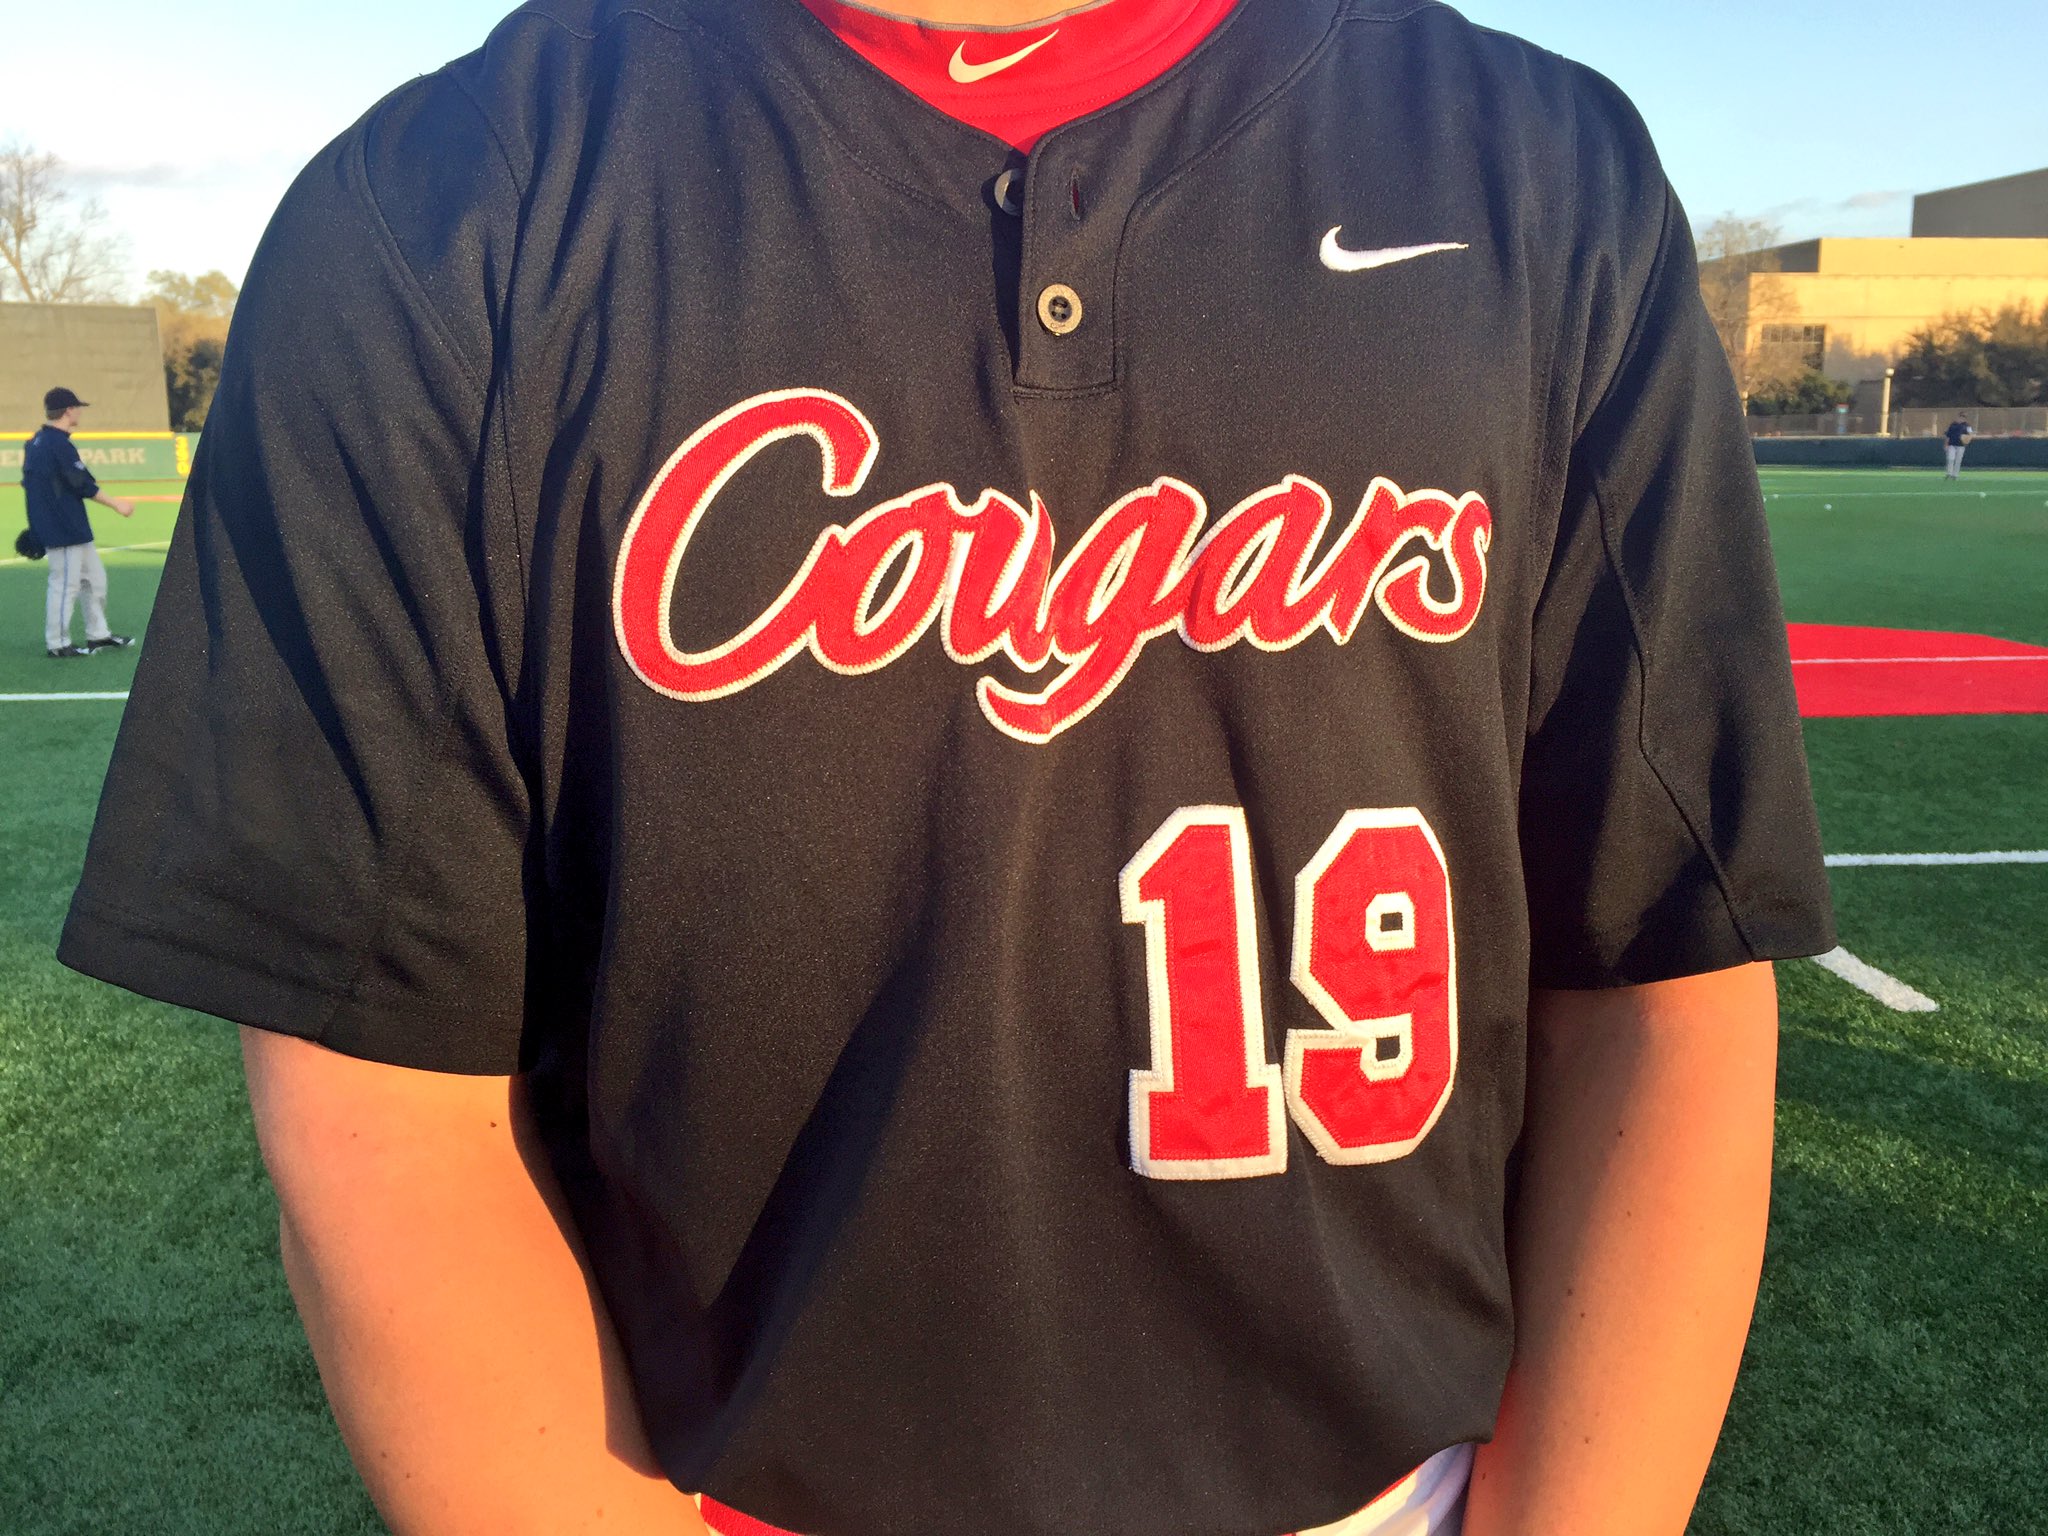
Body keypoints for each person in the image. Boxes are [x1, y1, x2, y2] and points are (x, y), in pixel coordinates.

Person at [58, 2, 1837, 1534]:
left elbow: (1660, 971)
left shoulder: (1536, 174)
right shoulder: (443, 213)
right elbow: (378, 1102)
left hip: (1394, 1485)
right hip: (694, 1488)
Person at [22, 386, 136, 658]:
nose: (78, 413)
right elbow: (81, 484)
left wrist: (37, 526)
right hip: (63, 528)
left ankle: (98, 635)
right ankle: (57, 643)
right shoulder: (57, 444)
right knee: (65, 585)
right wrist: (117, 504)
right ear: (69, 410)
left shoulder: (37, 441)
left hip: (69, 525)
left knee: (94, 580)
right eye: (76, 408)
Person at [1944, 412, 1974, 478]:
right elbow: (1948, 435)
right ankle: (1949, 473)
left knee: (1958, 460)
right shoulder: (1953, 424)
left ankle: (1955, 475)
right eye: (1961, 416)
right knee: (1950, 459)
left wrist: (1968, 438)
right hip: (1952, 445)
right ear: (1958, 417)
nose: (1962, 418)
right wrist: (1946, 444)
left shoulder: (1967, 425)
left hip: (1961, 445)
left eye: (1964, 417)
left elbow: (1971, 434)